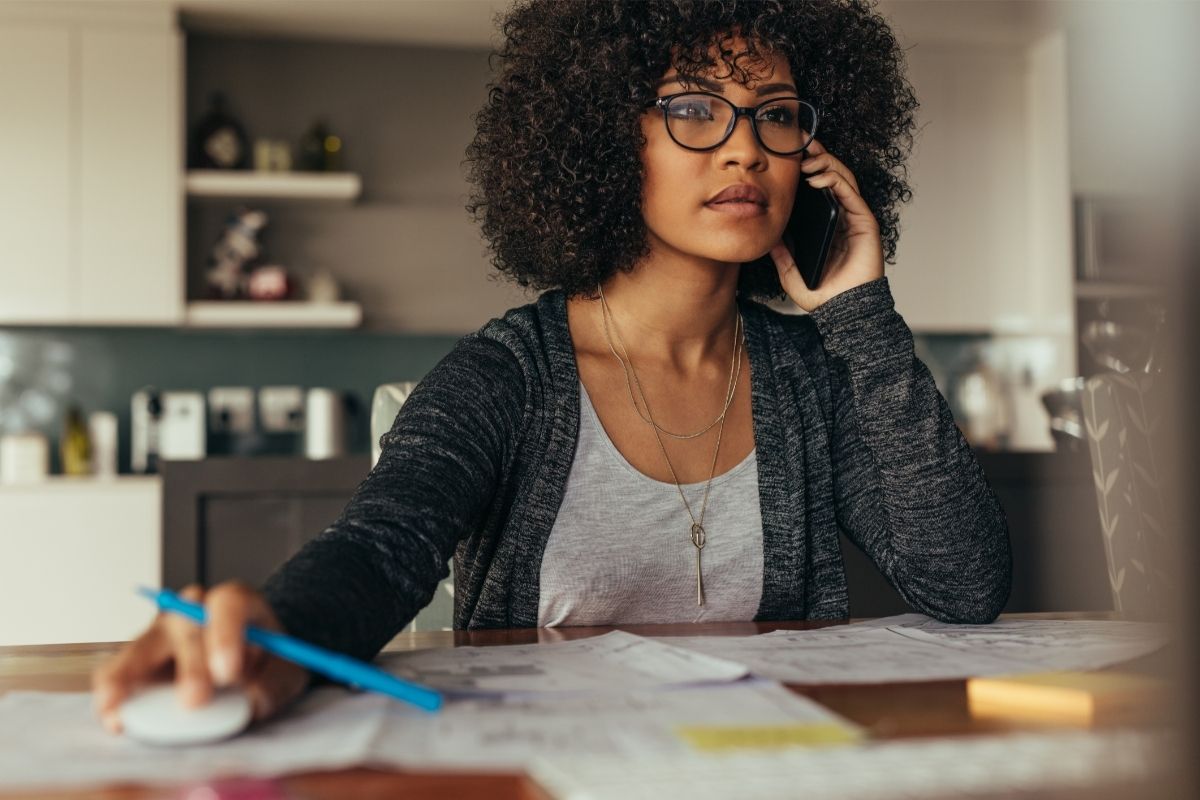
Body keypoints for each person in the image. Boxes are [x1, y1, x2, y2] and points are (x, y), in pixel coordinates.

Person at [93, 0, 1011, 733]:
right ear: (612, 141)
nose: (744, 147)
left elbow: (963, 586)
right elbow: (382, 547)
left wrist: (864, 316)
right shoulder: (508, 376)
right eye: (693, 108)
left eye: (775, 116)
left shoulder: (816, 374)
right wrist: (275, 632)